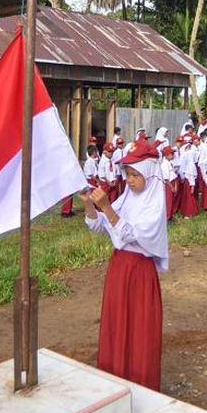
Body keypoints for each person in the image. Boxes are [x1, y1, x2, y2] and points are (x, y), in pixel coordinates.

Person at [81, 143, 168, 390]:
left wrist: (107, 208)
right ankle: (115, 378)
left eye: (135, 175)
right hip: (119, 268)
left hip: (139, 271)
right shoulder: (127, 198)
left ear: (148, 174)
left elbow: (133, 234)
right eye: (127, 174)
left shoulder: (154, 203)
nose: (129, 181)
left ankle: (140, 380)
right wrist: (89, 204)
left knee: (138, 328)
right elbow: (100, 226)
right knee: (117, 323)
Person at [176, 135, 200, 218]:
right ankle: (188, 212)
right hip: (188, 180)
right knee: (188, 197)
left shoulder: (190, 161)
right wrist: (191, 183)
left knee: (189, 196)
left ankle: (190, 212)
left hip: (188, 180)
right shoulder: (187, 159)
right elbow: (187, 172)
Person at [159, 145, 178, 221]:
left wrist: (175, 185)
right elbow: (166, 179)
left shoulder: (169, 163)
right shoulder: (164, 164)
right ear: (166, 155)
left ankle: (171, 216)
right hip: (168, 185)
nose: (173, 155)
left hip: (173, 182)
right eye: (171, 154)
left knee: (172, 201)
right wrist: (172, 187)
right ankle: (167, 217)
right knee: (168, 201)